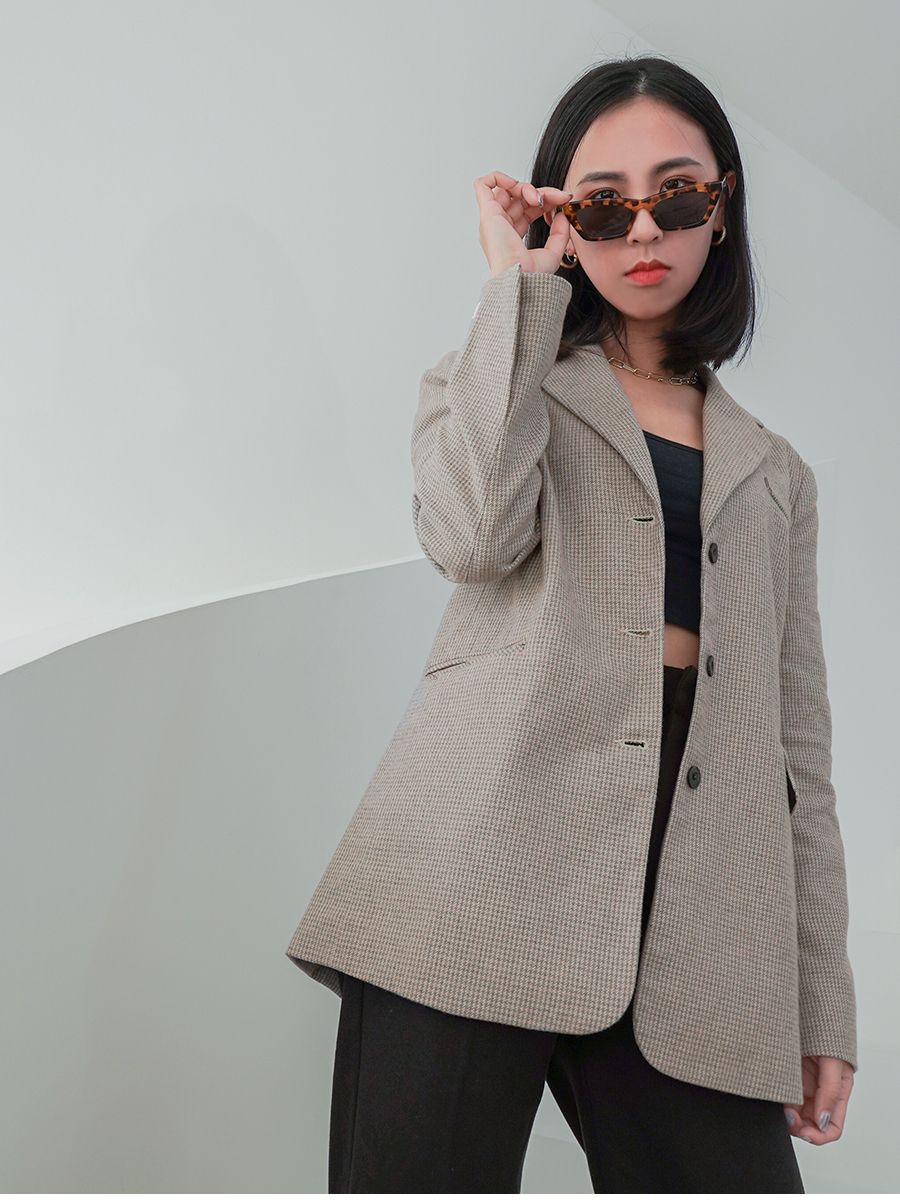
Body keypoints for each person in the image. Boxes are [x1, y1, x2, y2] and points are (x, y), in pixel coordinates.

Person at [286, 55, 857, 1193]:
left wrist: (819, 997)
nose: (642, 228)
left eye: (678, 195)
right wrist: (517, 289)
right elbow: (470, 537)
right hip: (475, 875)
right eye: (602, 204)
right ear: (562, 216)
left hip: (702, 928)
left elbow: (798, 755)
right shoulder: (500, 380)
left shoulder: (777, 474)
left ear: (722, 207)